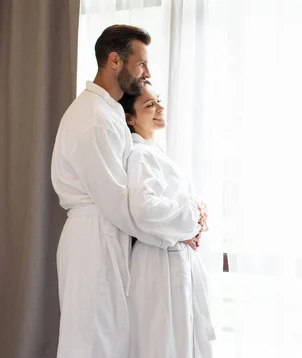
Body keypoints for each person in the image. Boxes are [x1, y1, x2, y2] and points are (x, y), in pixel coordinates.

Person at [51, 25, 189, 358]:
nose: (147, 74)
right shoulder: (94, 118)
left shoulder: (107, 112)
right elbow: (120, 204)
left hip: (103, 237)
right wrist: (179, 232)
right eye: (141, 64)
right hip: (94, 241)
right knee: (92, 341)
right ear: (115, 61)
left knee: (106, 338)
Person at [119, 82, 215, 358]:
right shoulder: (140, 156)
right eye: (150, 105)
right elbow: (144, 208)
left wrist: (198, 218)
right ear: (130, 118)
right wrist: (192, 216)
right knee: (160, 344)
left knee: (178, 341)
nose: (160, 108)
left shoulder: (155, 153)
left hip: (173, 261)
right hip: (158, 265)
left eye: (158, 101)